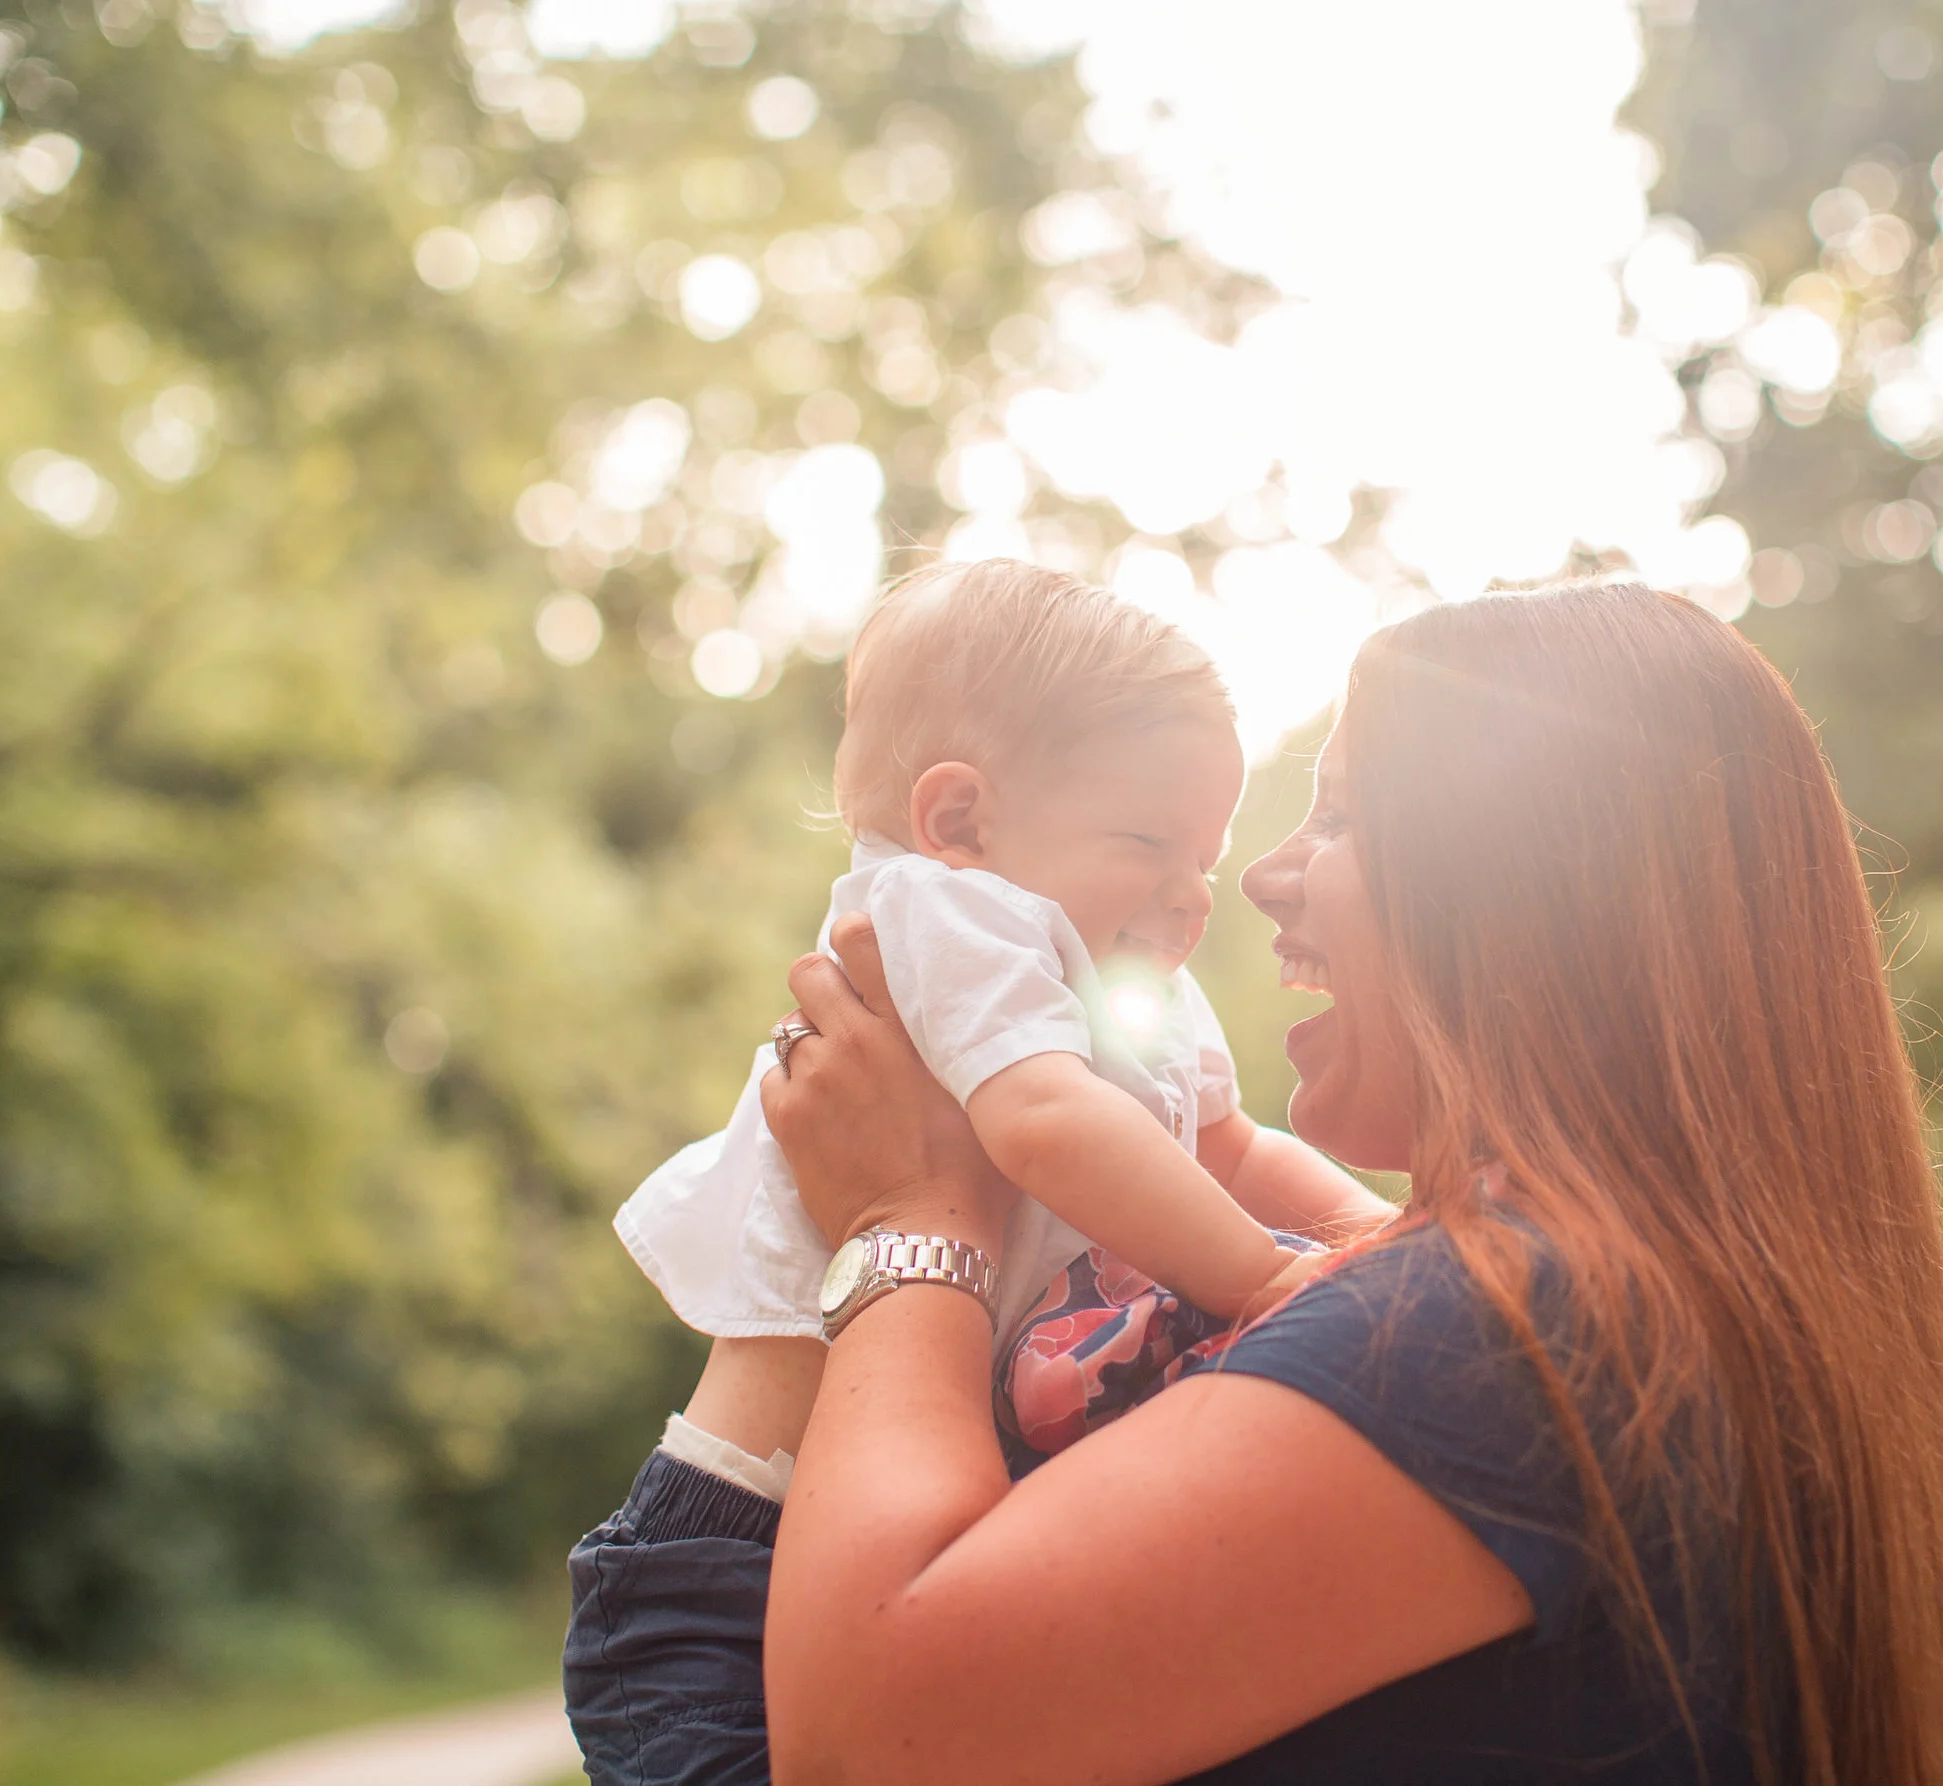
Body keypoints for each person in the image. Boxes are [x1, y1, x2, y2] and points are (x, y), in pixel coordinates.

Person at [749, 580, 1943, 1784]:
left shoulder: (1492, 1326)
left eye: (1347, 815)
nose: (1258, 873)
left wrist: (905, 1218)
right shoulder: (1644, 1298)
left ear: (1540, 894)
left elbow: (862, 1743)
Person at [565, 560, 1390, 1786]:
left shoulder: (1125, 979)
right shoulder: (947, 917)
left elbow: (1234, 1147)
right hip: (735, 1558)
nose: (1194, 895)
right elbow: (1042, 1127)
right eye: (1148, 843)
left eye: (1202, 858)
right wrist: (1269, 1280)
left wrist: (1374, 1232)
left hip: (894, 1501)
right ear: (961, 822)